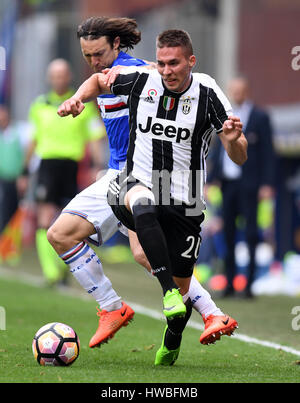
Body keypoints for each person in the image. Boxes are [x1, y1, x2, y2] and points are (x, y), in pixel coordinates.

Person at [57, 29, 246, 365]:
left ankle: (181, 329)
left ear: (191, 61)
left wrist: (232, 140)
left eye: (173, 63)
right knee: (131, 207)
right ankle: (139, 300)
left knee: (171, 280)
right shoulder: (143, 78)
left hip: (185, 199)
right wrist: (77, 98)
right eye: (161, 63)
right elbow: (100, 81)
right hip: (131, 180)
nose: (166, 70)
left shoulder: (206, 91)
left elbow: (240, 156)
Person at [26, 58, 104, 285]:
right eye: (55, 75)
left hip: (72, 166)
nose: (59, 79)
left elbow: (95, 138)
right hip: (48, 165)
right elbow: (33, 139)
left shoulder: (83, 104)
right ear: (50, 79)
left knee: (67, 221)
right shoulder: (39, 105)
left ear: (68, 77)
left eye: (63, 75)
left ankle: (63, 269)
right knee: (45, 217)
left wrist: (97, 166)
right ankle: (52, 273)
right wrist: (24, 169)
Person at [208, 76, 275, 298]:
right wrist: (212, 179)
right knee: (227, 233)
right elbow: (219, 149)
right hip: (228, 184)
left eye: (240, 90)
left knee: (251, 233)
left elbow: (267, 152)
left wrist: (266, 183)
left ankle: (249, 285)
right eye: (233, 90)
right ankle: (228, 282)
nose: (236, 94)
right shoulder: (223, 116)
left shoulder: (260, 117)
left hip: (250, 184)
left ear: (246, 91)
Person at [0, 105, 28, 233]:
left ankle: (11, 245)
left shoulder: (20, 131)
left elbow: (29, 155)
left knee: (14, 212)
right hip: (2, 179)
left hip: (15, 180)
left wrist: (24, 175)